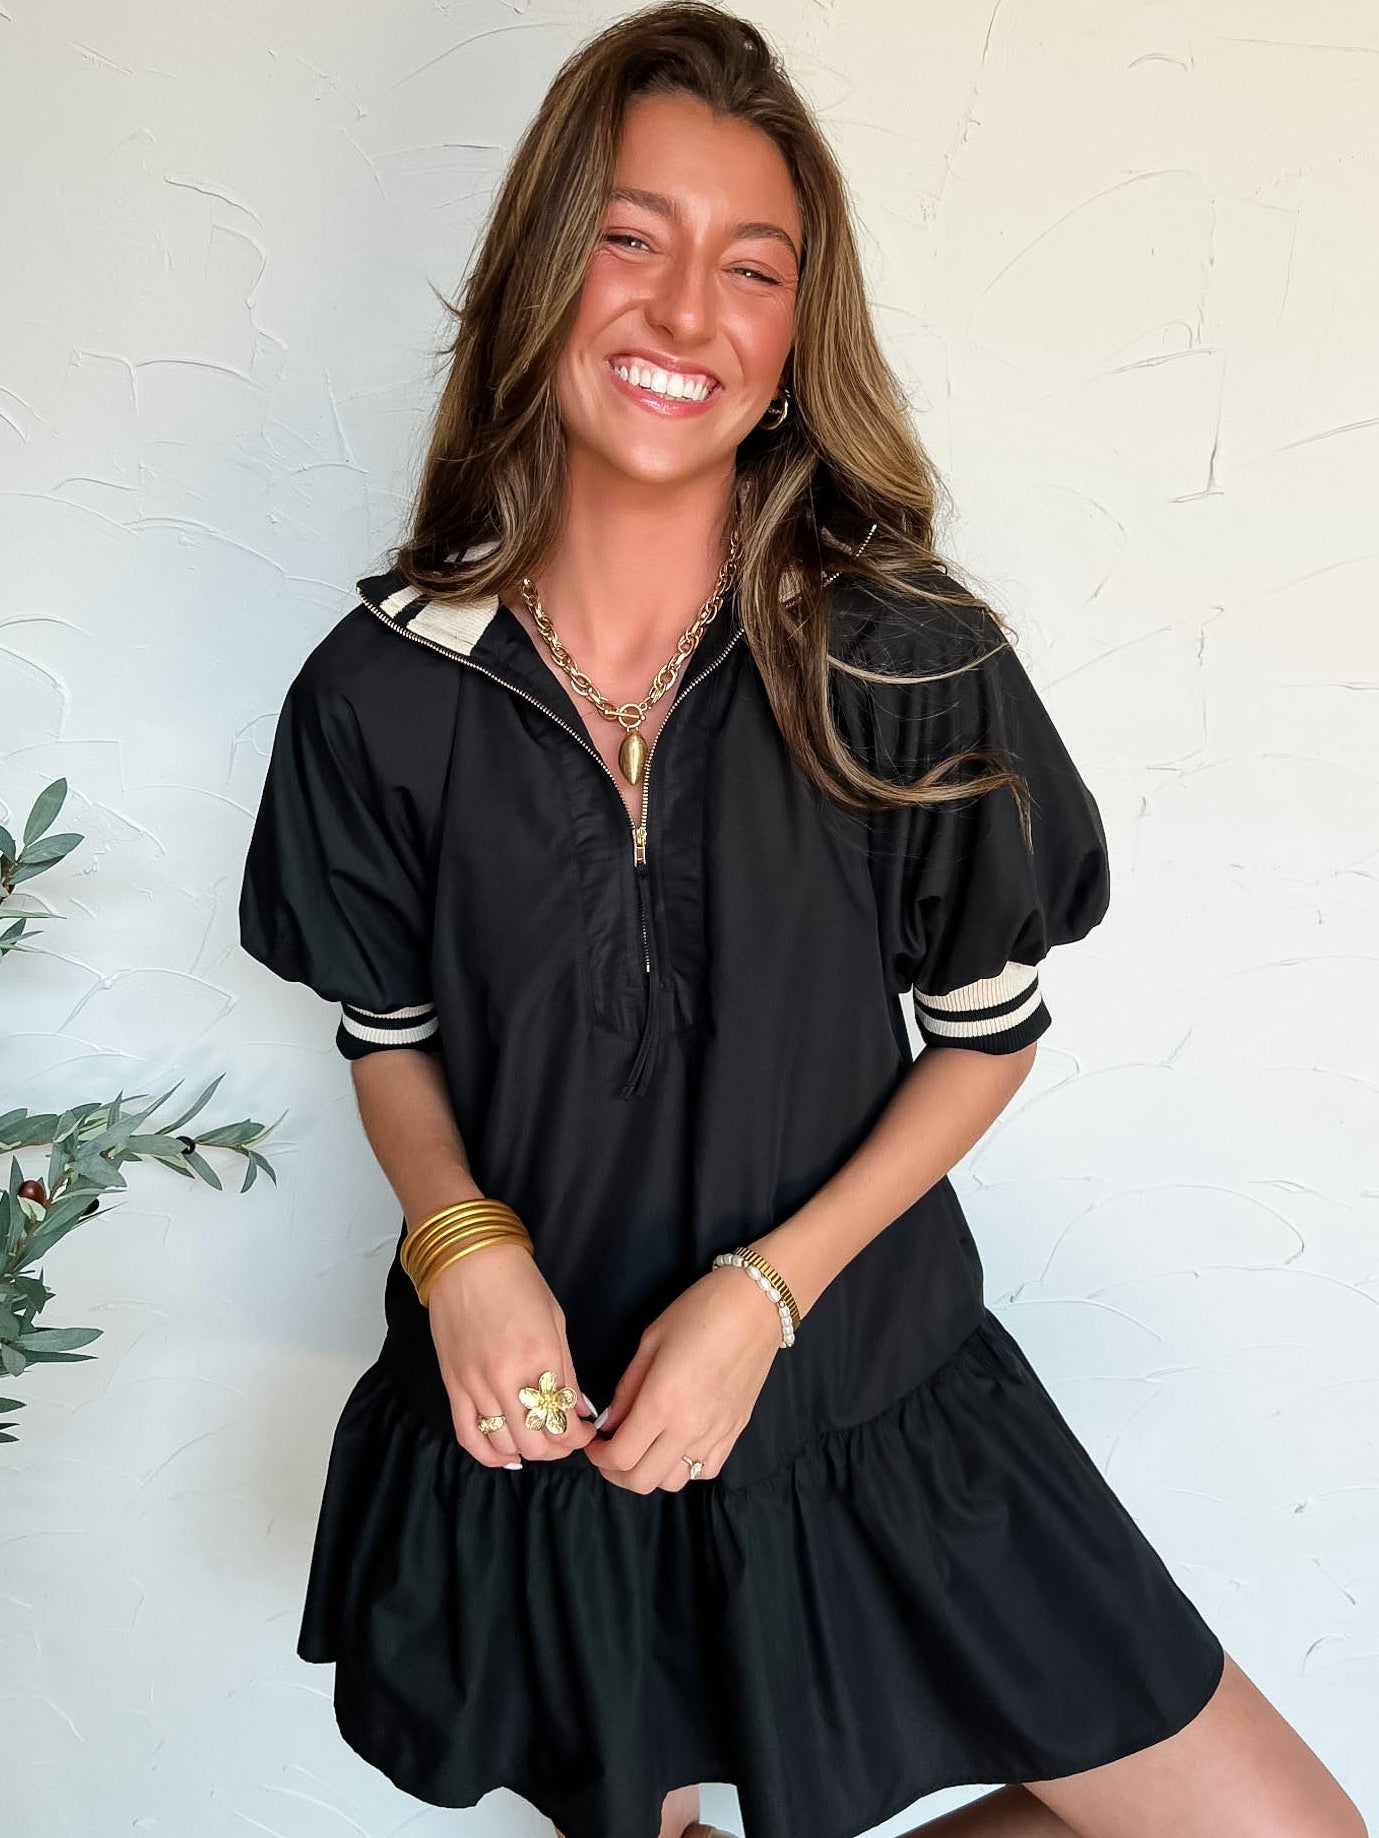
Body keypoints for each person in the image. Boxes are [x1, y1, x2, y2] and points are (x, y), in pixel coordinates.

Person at [237, 7, 1367, 1838]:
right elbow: (387, 1041)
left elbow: (987, 1035)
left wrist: (766, 1296)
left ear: (791, 335)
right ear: (544, 268)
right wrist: (458, 1243)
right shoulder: (379, 695)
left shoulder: (904, 659)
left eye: (750, 269)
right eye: (631, 237)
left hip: (872, 1403)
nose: (686, 315)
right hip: (562, 1427)